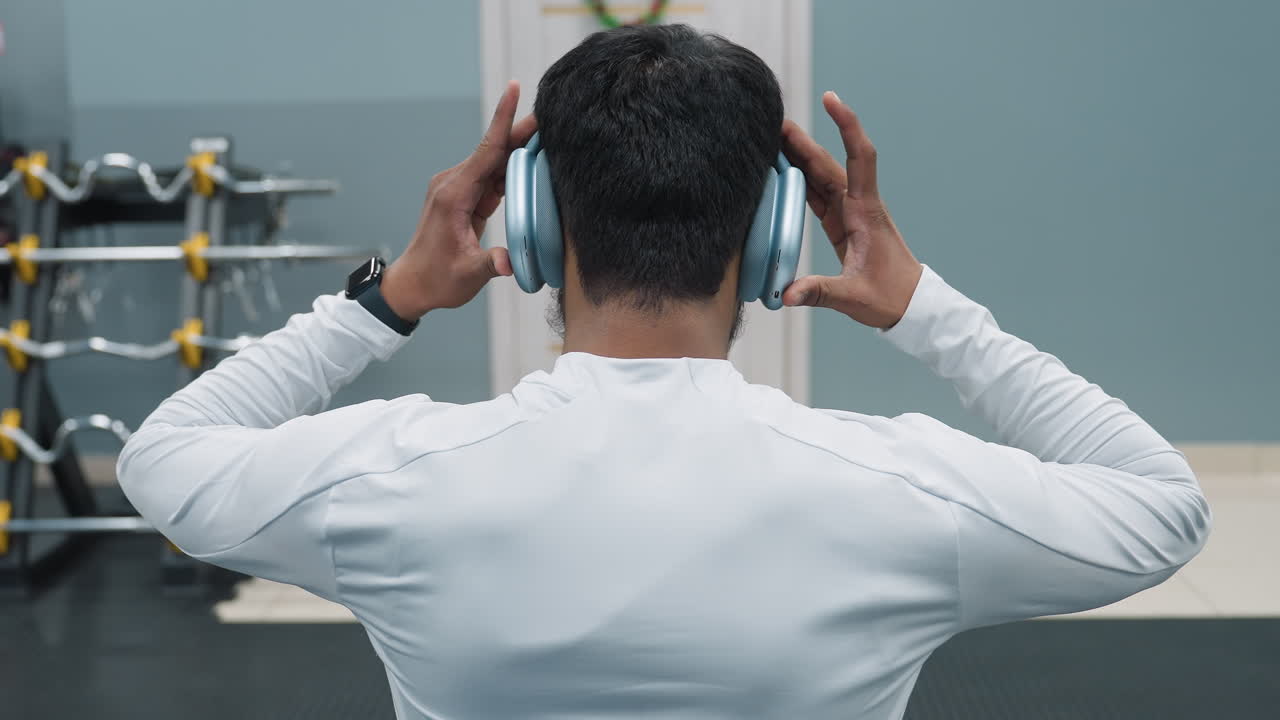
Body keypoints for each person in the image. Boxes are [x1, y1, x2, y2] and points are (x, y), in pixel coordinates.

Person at [118, 24, 1210, 720]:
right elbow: (1161, 509)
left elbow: (161, 457)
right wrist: (925, 306)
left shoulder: (389, 482)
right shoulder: (900, 495)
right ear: (779, 236)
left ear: (535, 225)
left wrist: (390, 295)